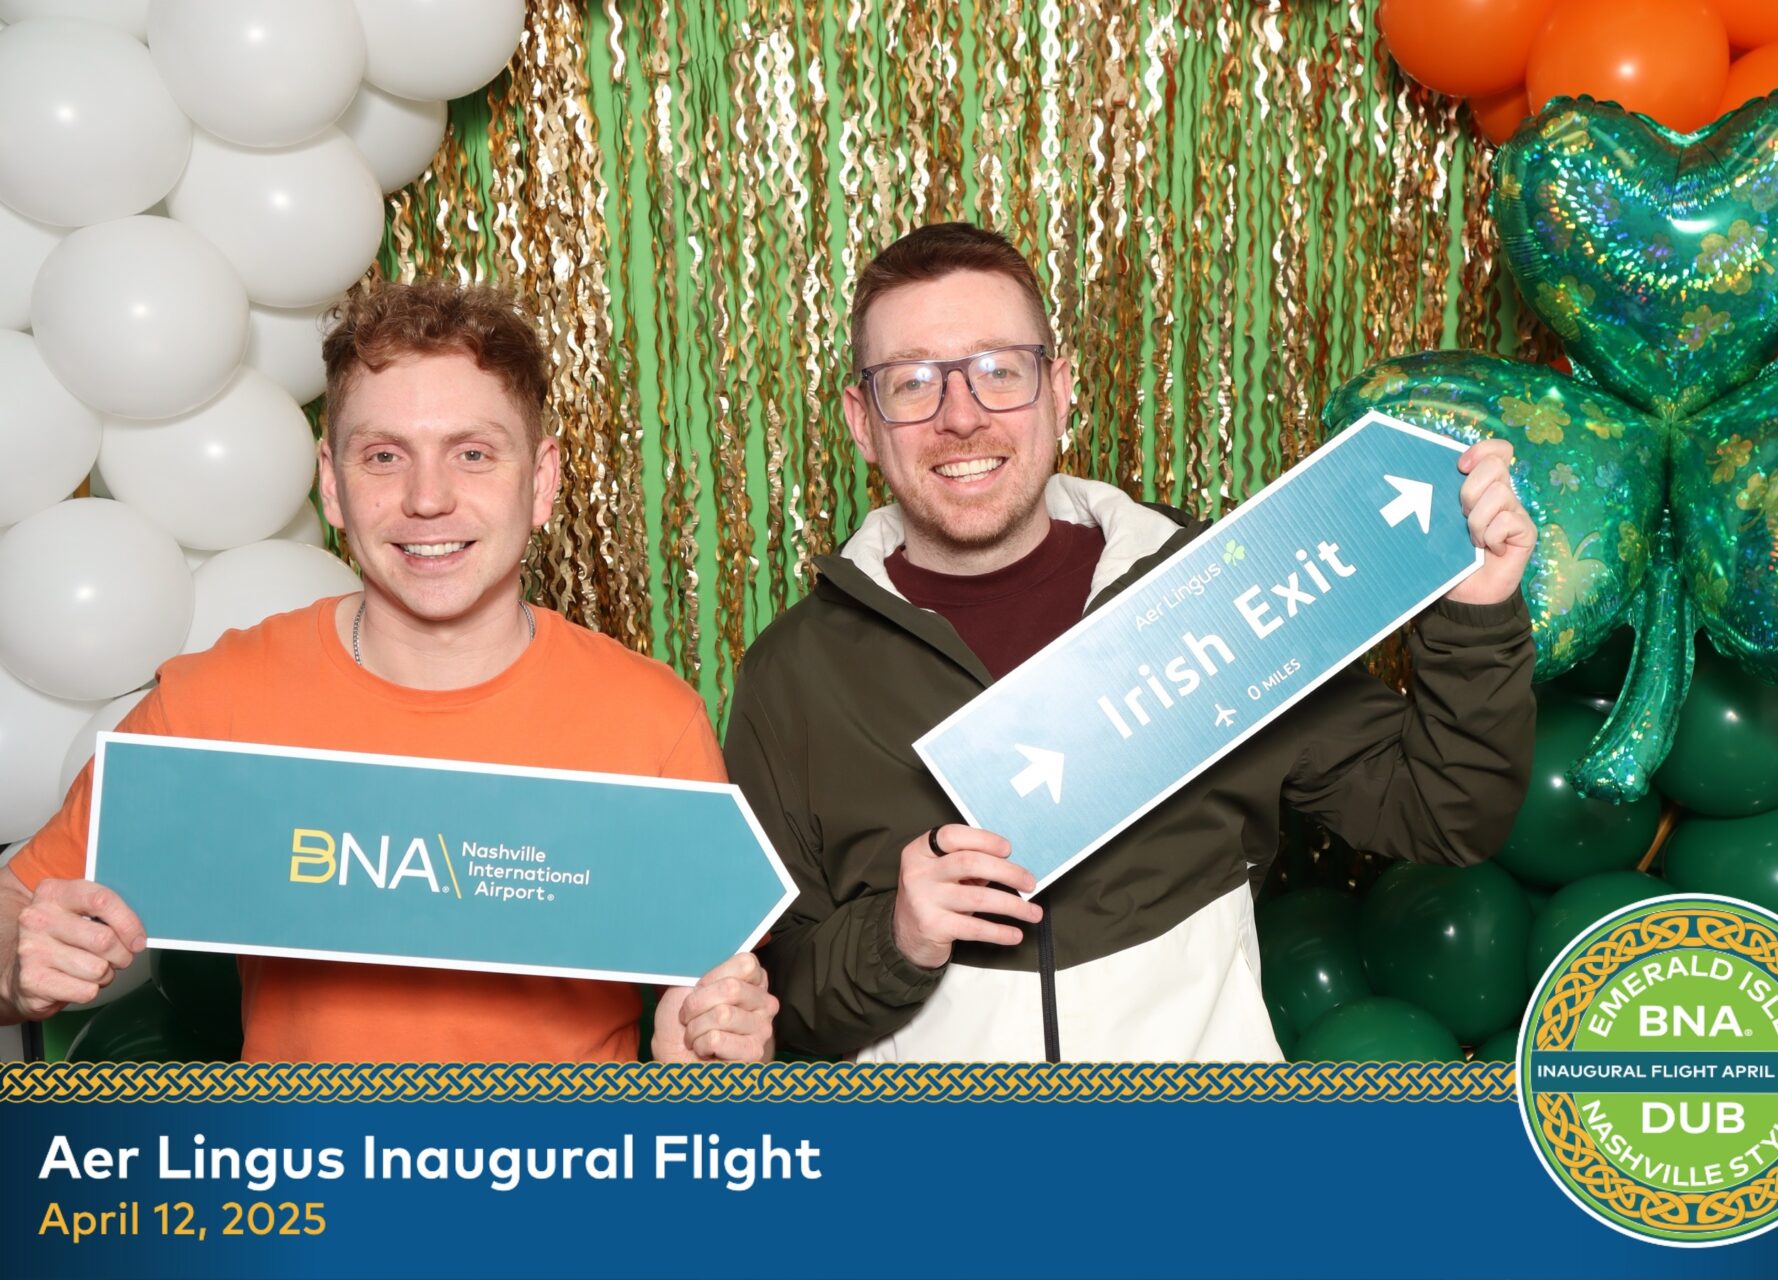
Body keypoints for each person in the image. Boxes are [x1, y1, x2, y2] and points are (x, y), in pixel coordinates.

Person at [723, 222, 1538, 1061]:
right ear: (863, 422)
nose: (961, 416)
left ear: (1059, 389)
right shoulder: (793, 678)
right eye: (913, 383)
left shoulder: (1212, 595)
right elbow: (774, 1008)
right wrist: (898, 936)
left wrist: (1474, 617)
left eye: (1001, 371)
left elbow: (1447, 812)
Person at [0, 280, 776, 1064]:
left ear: (541, 482)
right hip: (306, 1146)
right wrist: (15, 962)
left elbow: (714, 1015)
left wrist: (709, 1063)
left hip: (559, 1145)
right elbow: (19, 901)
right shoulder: (221, 696)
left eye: (472, 455)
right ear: (332, 484)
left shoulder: (651, 720)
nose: (427, 499)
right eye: (383, 457)